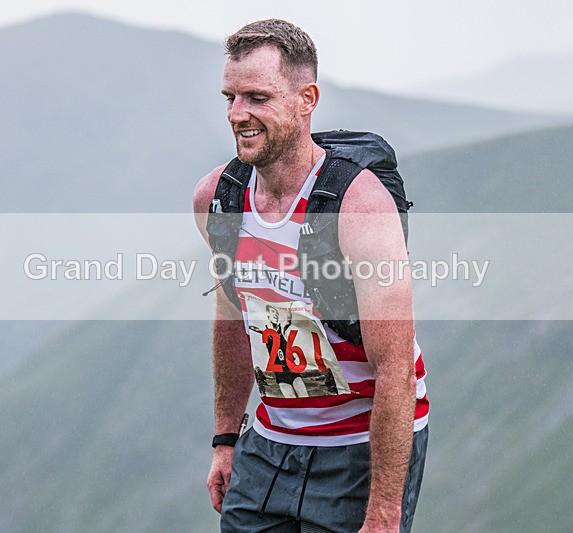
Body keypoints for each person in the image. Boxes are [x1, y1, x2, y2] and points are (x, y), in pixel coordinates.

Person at [193, 19, 429, 533]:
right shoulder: (218, 199)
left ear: (307, 99)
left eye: (257, 97)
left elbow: (396, 367)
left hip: (360, 448)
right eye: (230, 97)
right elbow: (232, 318)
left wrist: (385, 512)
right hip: (271, 441)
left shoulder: (359, 207)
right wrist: (226, 439)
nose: (238, 115)